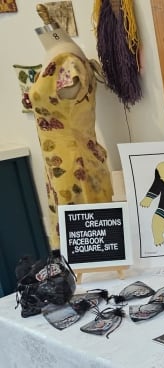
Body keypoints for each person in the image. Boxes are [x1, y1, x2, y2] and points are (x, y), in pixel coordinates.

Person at [29, 17, 113, 249]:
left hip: (74, 166)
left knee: (89, 240)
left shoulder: (67, 63)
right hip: (63, 165)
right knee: (79, 241)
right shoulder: (60, 57)